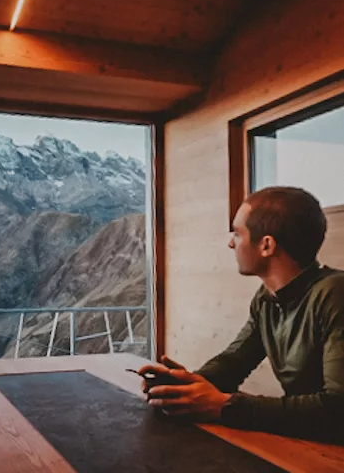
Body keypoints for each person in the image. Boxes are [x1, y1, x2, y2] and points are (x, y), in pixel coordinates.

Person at [138, 186, 344, 442]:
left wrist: (225, 406)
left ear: (266, 245)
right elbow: (233, 362)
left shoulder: (335, 294)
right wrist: (185, 386)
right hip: (310, 443)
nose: (230, 242)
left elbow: (337, 410)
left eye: (237, 233)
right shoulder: (267, 298)